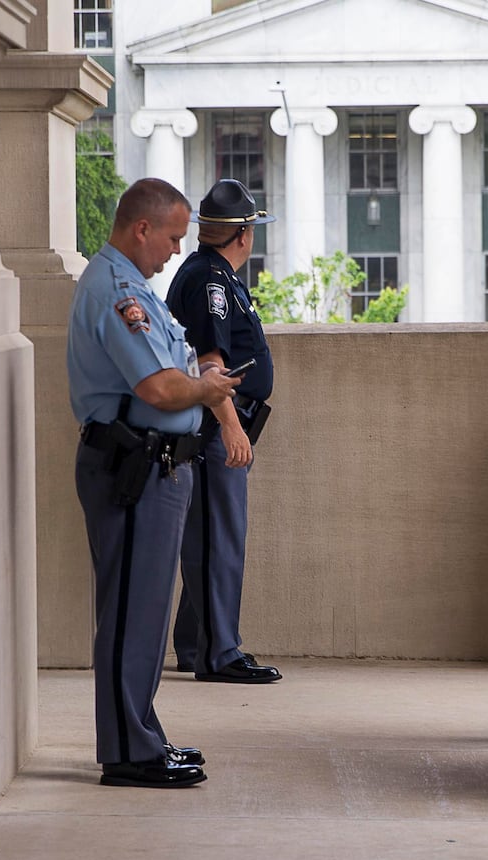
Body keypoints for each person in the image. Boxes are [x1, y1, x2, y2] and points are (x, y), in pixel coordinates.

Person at [68, 177, 243, 788]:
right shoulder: (119, 291)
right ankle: (128, 751)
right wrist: (210, 390)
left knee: (142, 610)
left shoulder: (133, 286)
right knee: (129, 612)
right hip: (134, 466)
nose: (175, 250)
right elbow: (160, 387)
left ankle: (139, 733)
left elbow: (175, 364)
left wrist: (199, 382)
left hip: (152, 464)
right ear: (141, 228)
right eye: (171, 237)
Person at [165, 179, 282, 684]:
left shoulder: (215, 274)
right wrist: (232, 428)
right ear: (243, 234)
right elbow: (210, 360)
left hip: (218, 422)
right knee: (220, 538)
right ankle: (220, 652)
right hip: (216, 425)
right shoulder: (209, 279)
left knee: (210, 537)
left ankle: (196, 644)